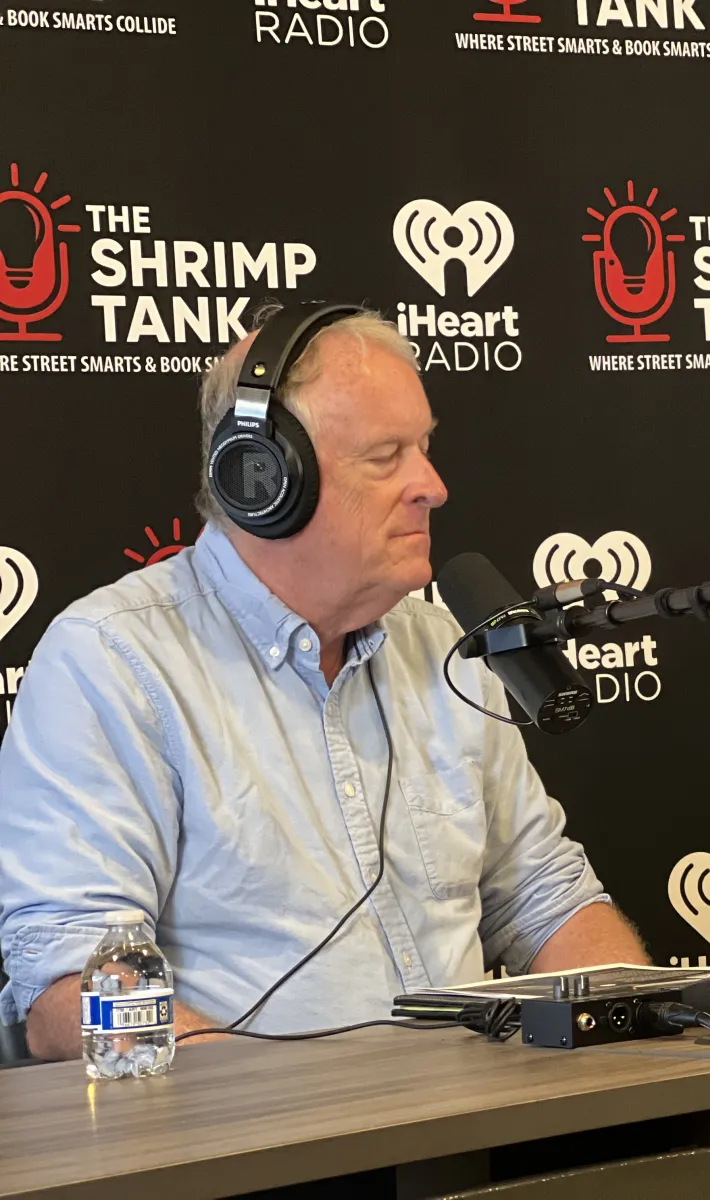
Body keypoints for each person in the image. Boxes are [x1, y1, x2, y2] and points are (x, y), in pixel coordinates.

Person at [0, 304, 645, 1059]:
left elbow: (547, 901)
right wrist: (286, 1109)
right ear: (263, 480)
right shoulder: (111, 659)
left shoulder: (442, 644)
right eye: (386, 457)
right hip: (257, 1161)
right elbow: (69, 992)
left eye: (425, 447)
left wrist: (647, 1048)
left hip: (475, 1138)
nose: (432, 485)